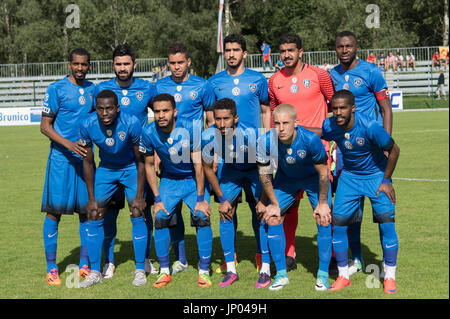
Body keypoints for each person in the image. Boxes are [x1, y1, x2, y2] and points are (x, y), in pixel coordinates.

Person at [318, 89, 400, 294]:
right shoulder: (330, 125)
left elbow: (394, 150)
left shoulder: (370, 126)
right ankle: (343, 276)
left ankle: (389, 277)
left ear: (353, 108)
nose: (338, 112)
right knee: (339, 224)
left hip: (375, 176)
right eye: (334, 108)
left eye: (343, 108)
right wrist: (297, 128)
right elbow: (321, 133)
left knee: (386, 222)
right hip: (350, 177)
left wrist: (386, 180)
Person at [267, 33, 334, 272]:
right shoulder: (274, 80)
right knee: (288, 207)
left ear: (301, 52)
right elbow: (275, 117)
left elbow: (335, 106)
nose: (286, 55)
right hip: (287, 157)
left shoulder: (319, 75)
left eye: (291, 50)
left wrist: (329, 137)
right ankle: (288, 254)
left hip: (318, 153)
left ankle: (332, 257)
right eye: (283, 51)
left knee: (324, 207)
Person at [331, 30, 393, 276]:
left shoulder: (371, 72)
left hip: (372, 151)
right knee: (351, 212)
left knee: (382, 209)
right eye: (340, 47)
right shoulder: (331, 75)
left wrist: (386, 144)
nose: (344, 50)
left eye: (348, 46)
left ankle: (386, 264)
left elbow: (385, 108)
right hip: (345, 153)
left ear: (357, 47)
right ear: (335, 49)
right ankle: (356, 259)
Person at [94, 44, 157, 279]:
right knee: (108, 213)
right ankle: (109, 262)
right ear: (113, 65)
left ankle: (145, 260)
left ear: (134, 64)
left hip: (138, 165)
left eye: (126, 64)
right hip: (109, 165)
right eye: (118, 64)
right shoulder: (102, 89)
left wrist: (157, 150)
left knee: (141, 211)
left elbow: (162, 116)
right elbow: (92, 121)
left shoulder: (147, 88)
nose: (122, 68)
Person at [209, 33, 271, 274]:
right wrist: (212, 151)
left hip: (254, 154)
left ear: (245, 53)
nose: (232, 54)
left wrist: (267, 141)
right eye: (228, 50)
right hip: (226, 158)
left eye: (236, 50)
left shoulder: (258, 79)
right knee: (227, 208)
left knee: (260, 207)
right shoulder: (214, 81)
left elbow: (266, 110)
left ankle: (260, 254)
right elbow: (209, 116)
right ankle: (229, 258)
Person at [255, 104, 332, 291]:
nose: (281, 128)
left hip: (313, 180)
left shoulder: (311, 140)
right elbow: (265, 175)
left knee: (324, 219)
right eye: (277, 123)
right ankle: (281, 275)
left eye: (286, 123)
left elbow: (323, 173)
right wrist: (271, 203)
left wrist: (322, 204)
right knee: (272, 217)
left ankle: (323, 275)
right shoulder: (266, 141)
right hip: (286, 180)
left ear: (296, 123)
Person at [155, 42, 216, 275]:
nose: (177, 67)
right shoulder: (160, 85)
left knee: (201, 212)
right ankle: (180, 259)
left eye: (181, 62)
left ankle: (205, 264)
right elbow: (157, 119)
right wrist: (157, 154)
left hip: (196, 158)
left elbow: (210, 121)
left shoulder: (202, 85)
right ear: (168, 63)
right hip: (169, 157)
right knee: (172, 211)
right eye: (172, 63)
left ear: (189, 62)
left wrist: (213, 151)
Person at [140, 93, 213, 288]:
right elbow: (148, 166)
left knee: (202, 216)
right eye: (157, 111)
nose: (161, 115)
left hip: (191, 179)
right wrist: (157, 199)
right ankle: (164, 271)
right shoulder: (148, 132)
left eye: (165, 111)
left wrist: (200, 198)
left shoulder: (190, 127)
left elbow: (199, 165)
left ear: (175, 112)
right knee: (161, 217)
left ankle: (204, 271)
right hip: (169, 180)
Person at [78, 89, 148, 288]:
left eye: (109, 108)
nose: (105, 113)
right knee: (94, 213)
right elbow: (88, 163)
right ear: (95, 109)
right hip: (106, 170)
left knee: (136, 210)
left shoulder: (132, 123)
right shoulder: (87, 124)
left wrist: (140, 195)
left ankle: (140, 269)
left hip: (130, 168)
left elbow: (141, 160)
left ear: (117, 108)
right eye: (100, 109)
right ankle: (94, 271)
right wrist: (91, 198)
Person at [40, 47, 95, 286]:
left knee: (86, 212)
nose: (80, 68)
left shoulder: (94, 90)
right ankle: (52, 268)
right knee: (54, 212)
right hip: (61, 160)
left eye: (84, 65)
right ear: (69, 65)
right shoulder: (56, 89)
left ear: (89, 66)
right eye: (76, 64)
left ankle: (84, 263)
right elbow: (45, 126)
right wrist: (69, 145)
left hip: (85, 160)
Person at [202, 98, 263, 287]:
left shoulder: (251, 133)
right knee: (225, 213)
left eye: (226, 119)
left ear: (235, 118)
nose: (221, 124)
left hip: (254, 171)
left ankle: (262, 258)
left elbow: (265, 165)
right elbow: (206, 167)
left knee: (260, 212)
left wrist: (264, 198)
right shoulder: (208, 136)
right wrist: (221, 199)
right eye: (217, 119)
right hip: (232, 172)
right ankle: (231, 268)